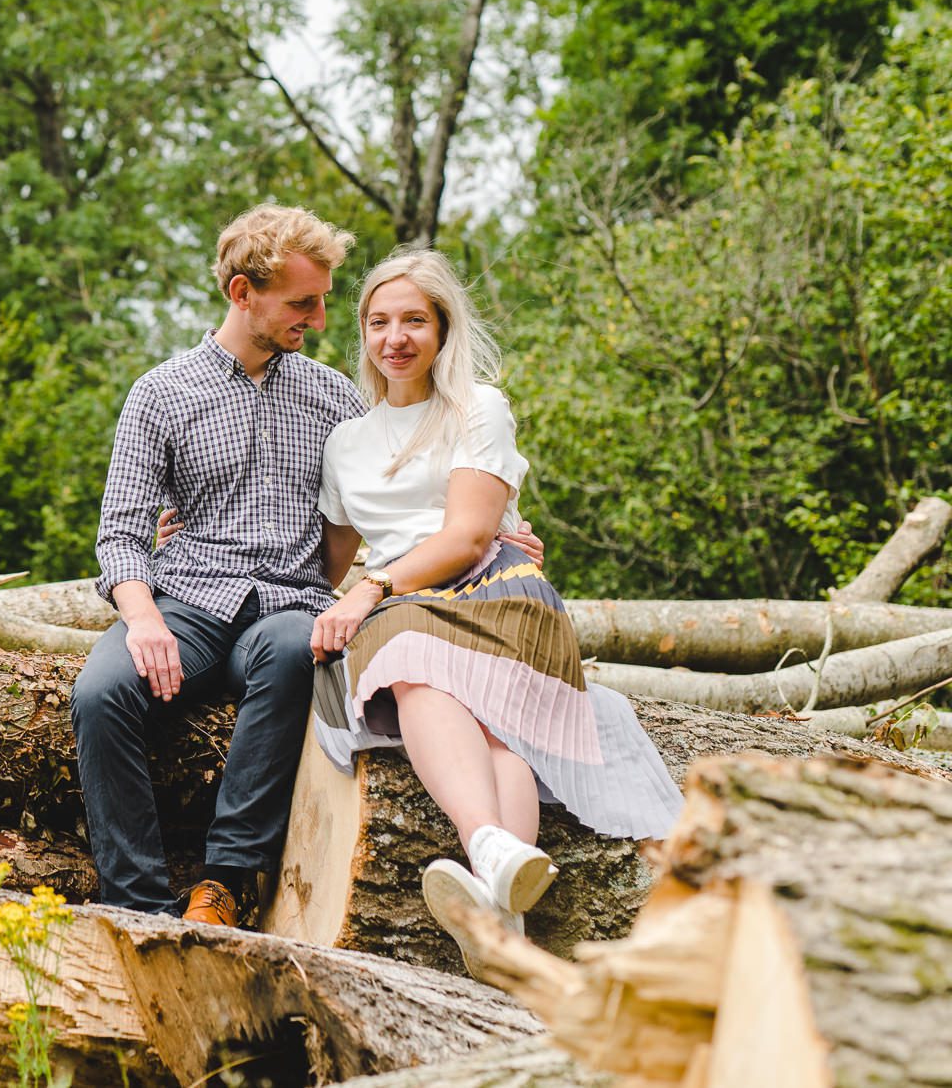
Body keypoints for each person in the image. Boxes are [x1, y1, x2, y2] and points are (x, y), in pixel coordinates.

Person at [75, 205, 540, 924]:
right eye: (303, 301)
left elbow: (401, 492)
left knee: (295, 649)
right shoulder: (159, 394)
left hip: (293, 601)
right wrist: (141, 617)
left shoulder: (334, 400)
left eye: (323, 299)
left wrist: (503, 530)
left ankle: (225, 884)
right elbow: (121, 533)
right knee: (101, 693)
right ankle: (134, 903)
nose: (321, 317)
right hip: (187, 601)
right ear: (242, 294)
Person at [309, 247, 682, 972]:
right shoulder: (346, 442)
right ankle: (503, 910)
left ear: (443, 328)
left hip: (492, 586)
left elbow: (470, 534)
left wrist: (374, 585)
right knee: (448, 688)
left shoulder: (478, 407)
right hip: (404, 602)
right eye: (379, 322)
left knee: (439, 673)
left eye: (414, 319)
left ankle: (482, 843)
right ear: (363, 334)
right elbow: (323, 561)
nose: (396, 338)